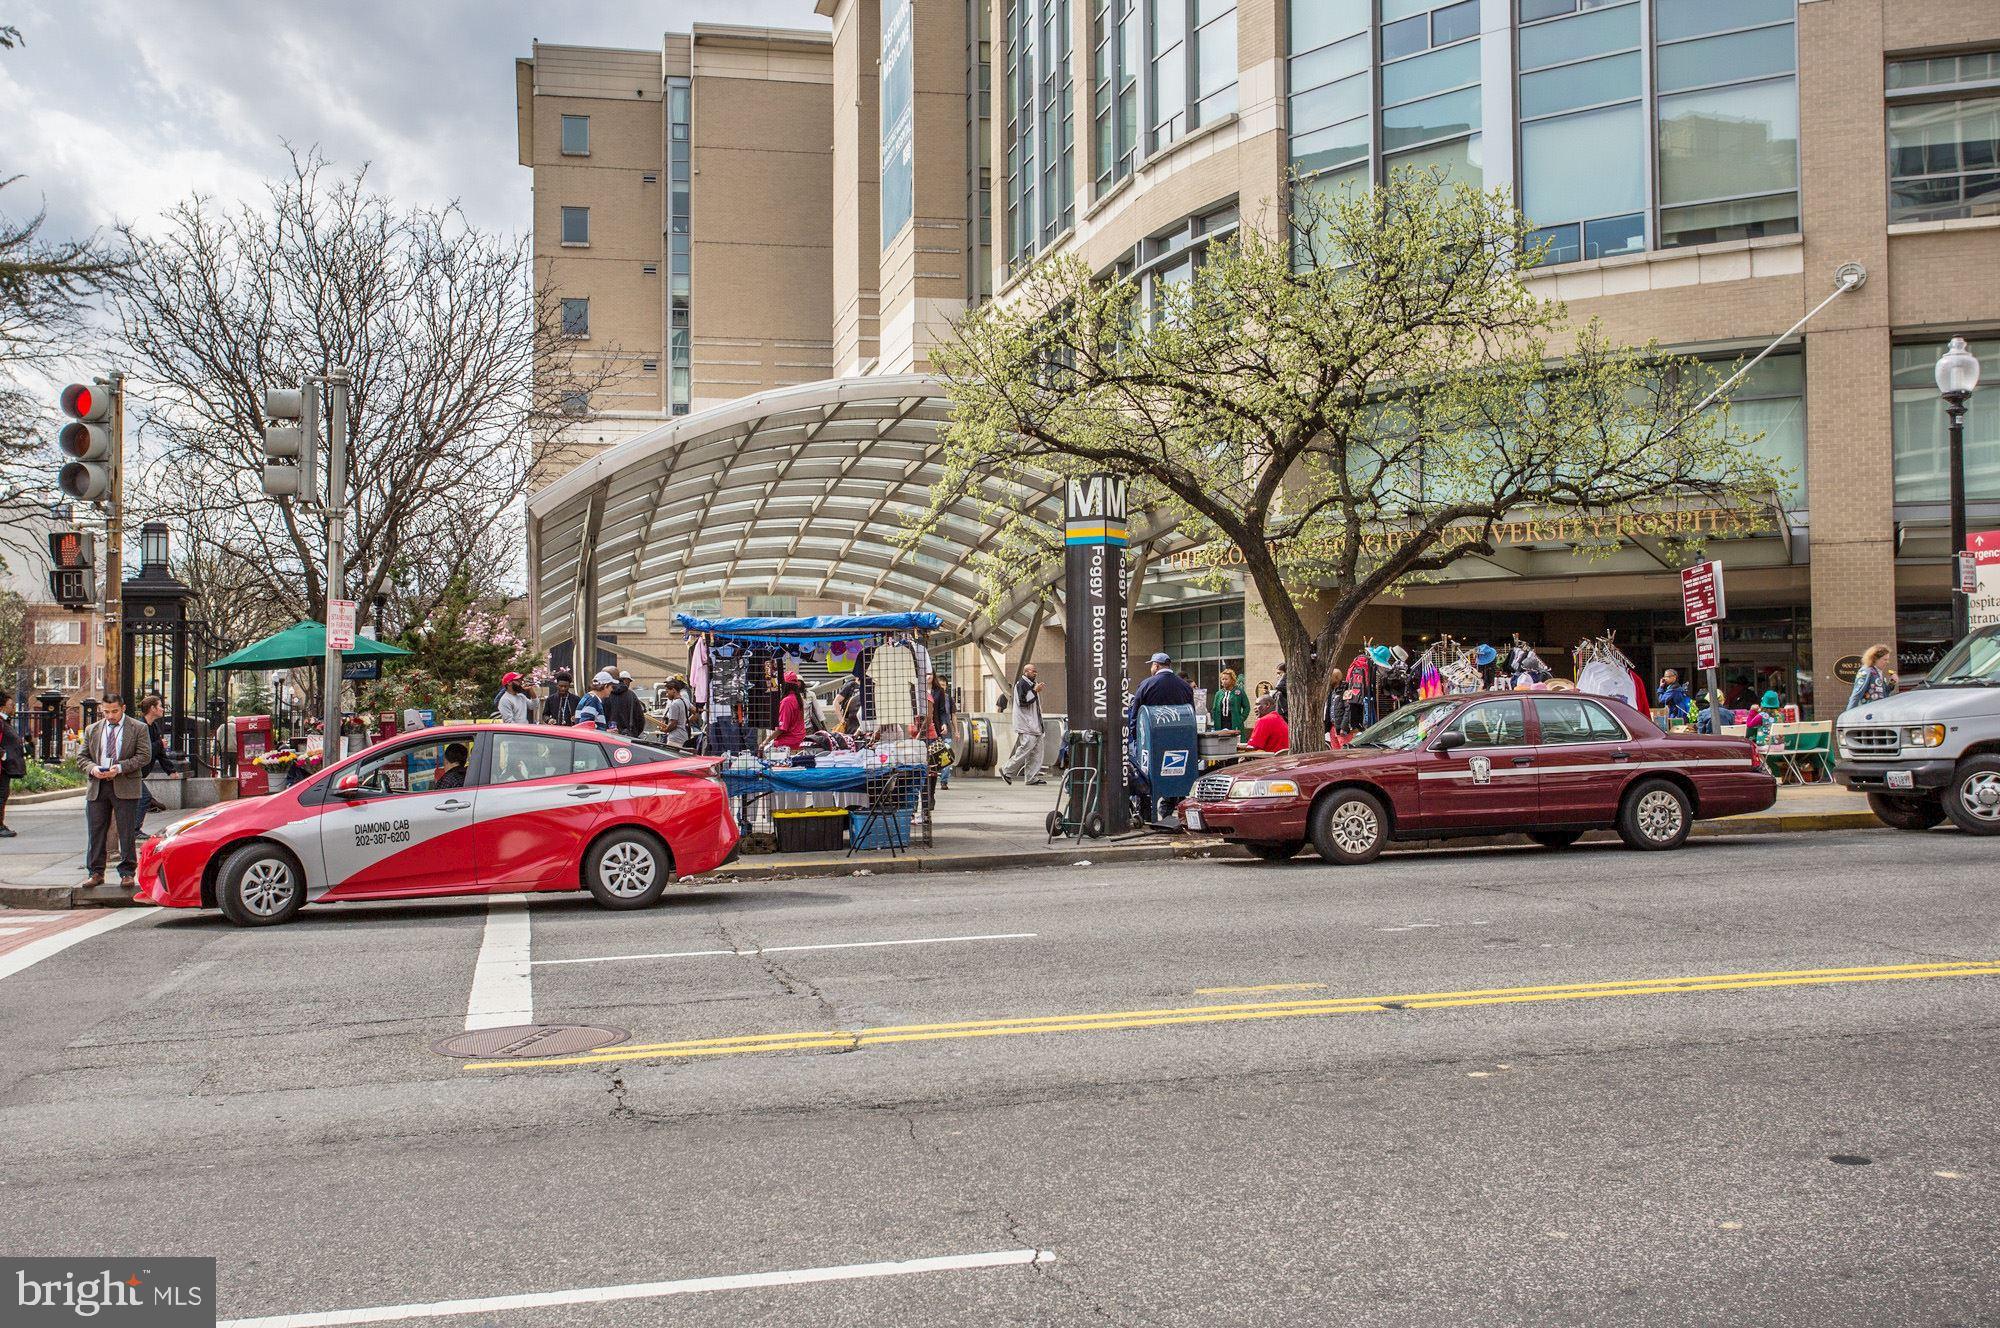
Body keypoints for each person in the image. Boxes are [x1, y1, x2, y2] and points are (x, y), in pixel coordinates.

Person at [76, 693, 151, 890]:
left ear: (123, 708)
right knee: (96, 830)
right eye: (106, 711)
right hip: (98, 786)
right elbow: (82, 757)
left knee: (126, 830)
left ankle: (127, 873)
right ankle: (96, 872)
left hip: (124, 783)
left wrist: (119, 767)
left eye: (114, 711)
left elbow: (144, 756)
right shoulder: (92, 729)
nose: (110, 716)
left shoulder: (138, 728)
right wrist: (93, 768)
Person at [1127, 652, 1196, 817]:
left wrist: (1135, 737)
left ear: (1156, 665)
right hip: (1179, 740)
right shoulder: (1185, 686)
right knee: (1175, 773)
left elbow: (1135, 715)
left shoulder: (1146, 684)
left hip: (1151, 741)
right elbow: (1191, 712)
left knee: (1147, 774)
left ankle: (1146, 811)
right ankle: (1170, 809)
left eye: (1152, 665)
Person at [135, 695, 177, 833]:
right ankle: (134, 831)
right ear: (152, 708)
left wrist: (170, 770)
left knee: (140, 800)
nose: (163, 709)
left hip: (140, 772)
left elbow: (159, 753)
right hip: (132, 771)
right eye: (160, 706)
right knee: (144, 799)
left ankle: (133, 829)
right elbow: (143, 751)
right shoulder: (140, 727)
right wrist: (159, 744)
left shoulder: (154, 726)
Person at [999, 663, 1046, 785]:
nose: (1035, 673)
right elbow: (1023, 701)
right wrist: (1035, 691)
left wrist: (1035, 690)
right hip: (1026, 724)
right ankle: (1006, 770)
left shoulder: (1030, 684)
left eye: (1036, 672)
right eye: (1033, 671)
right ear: (1026, 672)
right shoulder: (1022, 684)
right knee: (1026, 748)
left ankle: (1031, 777)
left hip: (1035, 725)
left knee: (1037, 752)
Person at [0, 692, 24, 839]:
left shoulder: (4, 722)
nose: (13, 707)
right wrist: (3, 755)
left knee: (3, 794)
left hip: (5, 767)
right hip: (2, 767)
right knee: (1, 795)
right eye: (10, 705)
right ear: (2, 707)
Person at [1847, 644, 1896, 709]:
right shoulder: (1866, 671)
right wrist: (1849, 714)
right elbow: (1857, 694)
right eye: (1885, 659)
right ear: (1875, 659)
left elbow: (1884, 693)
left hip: (1878, 710)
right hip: (1868, 712)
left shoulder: (1878, 672)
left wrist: (1892, 682)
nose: (1887, 662)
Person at [1211, 668, 1251, 739]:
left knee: (1236, 742)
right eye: (1222, 679)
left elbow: (1246, 707)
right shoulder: (1218, 693)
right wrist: (1215, 719)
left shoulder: (1239, 691)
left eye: (1226, 679)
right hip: (1220, 723)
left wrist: (1241, 718)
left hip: (1234, 721)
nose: (1224, 681)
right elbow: (1214, 709)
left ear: (1232, 680)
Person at [604, 670, 646, 739]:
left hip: (607, 738)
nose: (629, 684)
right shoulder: (631, 695)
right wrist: (634, 734)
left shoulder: (605, 694)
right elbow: (640, 720)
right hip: (628, 738)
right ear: (624, 680)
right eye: (629, 681)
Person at [771, 672, 808, 750]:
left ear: (785, 685)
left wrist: (765, 742)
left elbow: (781, 728)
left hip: (787, 744)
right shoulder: (798, 699)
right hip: (799, 741)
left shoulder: (787, 701)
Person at [660, 678, 693, 747]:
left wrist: (664, 730)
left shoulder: (674, 704)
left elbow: (673, 724)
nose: (666, 694)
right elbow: (696, 713)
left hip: (675, 739)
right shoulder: (685, 700)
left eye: (667, 691)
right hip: (684, 736)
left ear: (673, 690)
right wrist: (685, 722)